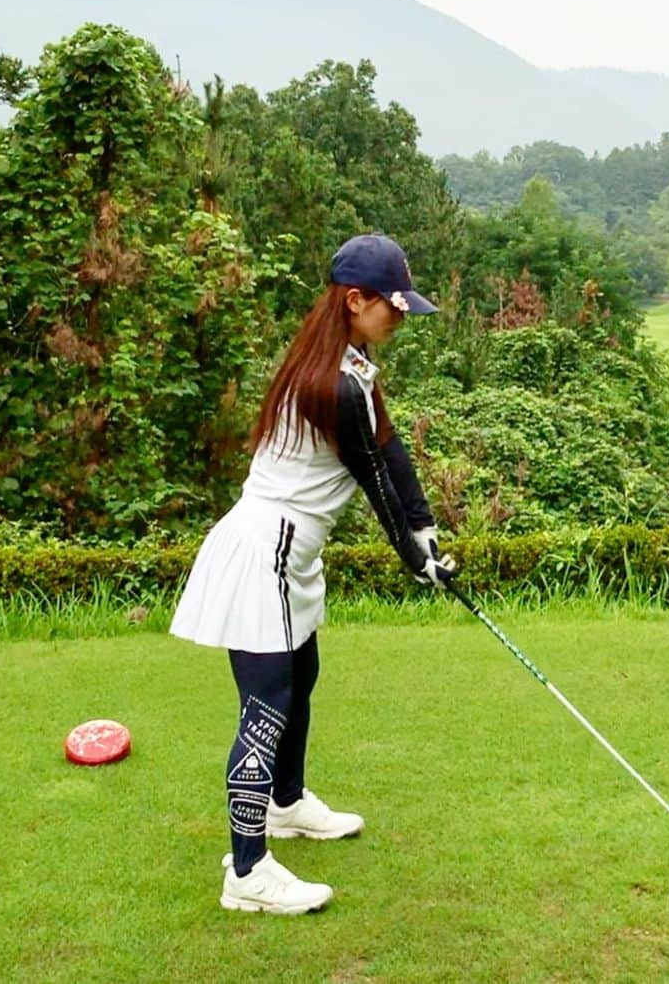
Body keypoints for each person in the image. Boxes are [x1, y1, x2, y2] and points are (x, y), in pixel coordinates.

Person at [170, 233, 456, 915]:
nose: (403, 316)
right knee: (265, 707)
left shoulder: (349, 365)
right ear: (355, 301)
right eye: (394, 305)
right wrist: (420, 562)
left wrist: (428, 531)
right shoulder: (331, 381)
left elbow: (394, 460)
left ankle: (287, 803)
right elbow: (375, 486)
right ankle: (246, 870)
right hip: (262, 552)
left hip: (291, 555)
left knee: (304, 676)